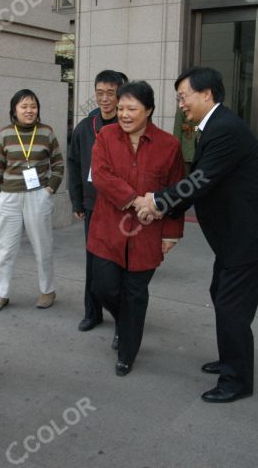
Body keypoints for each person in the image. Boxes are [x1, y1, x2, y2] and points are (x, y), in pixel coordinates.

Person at [135, 67, 258, 402]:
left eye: (183, 96)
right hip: (237, 236)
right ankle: (230, 358)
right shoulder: (215, 127)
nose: (180, 104)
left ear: (207, 94)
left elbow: (202, 180)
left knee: (231, 305)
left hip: (250, 237)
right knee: (222, 294)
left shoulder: (224, 130)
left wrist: (158, 201)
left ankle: (237, 380)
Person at [87, 80, 184, 376]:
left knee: (135, 295)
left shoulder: (169, 145)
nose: (124, 114)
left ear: (149, 110)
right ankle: (123, 321)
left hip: (147, 234)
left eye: (132, 108)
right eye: (120, 108)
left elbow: (177, 191)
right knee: (103, 288)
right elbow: (101, 176)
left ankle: (128, 352)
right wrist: (135, 200)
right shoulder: (105, 136)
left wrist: (171, 232)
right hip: (107, 229)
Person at [0, 90, 64, 311]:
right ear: (14, 110)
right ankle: (1, 293)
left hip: (37, 195)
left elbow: (58, 163)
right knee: (4, 248)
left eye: (33, 106)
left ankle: (47, 290)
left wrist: (50, 188)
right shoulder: (5, 134)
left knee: (43, 246)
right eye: (24, 106)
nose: (29, 110)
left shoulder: (46, 133)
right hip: (9, 196)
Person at [67, 70, 127, 332]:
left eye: (110, 94)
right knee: (93, 260)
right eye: (100, 93)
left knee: (120, 262)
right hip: (93, 206)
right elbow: (74, 164)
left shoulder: (127, 127)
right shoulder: (85, 128)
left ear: (120, 95)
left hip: (122, 207)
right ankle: (92, 312)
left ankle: (123, 318)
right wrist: (77, 202)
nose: (105, 99)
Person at [172, 106, 199, 176]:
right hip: (185, 151)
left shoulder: (202, 108)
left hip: (199, 148)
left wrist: (191, 128)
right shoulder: (181, 111)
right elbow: (177, 132)